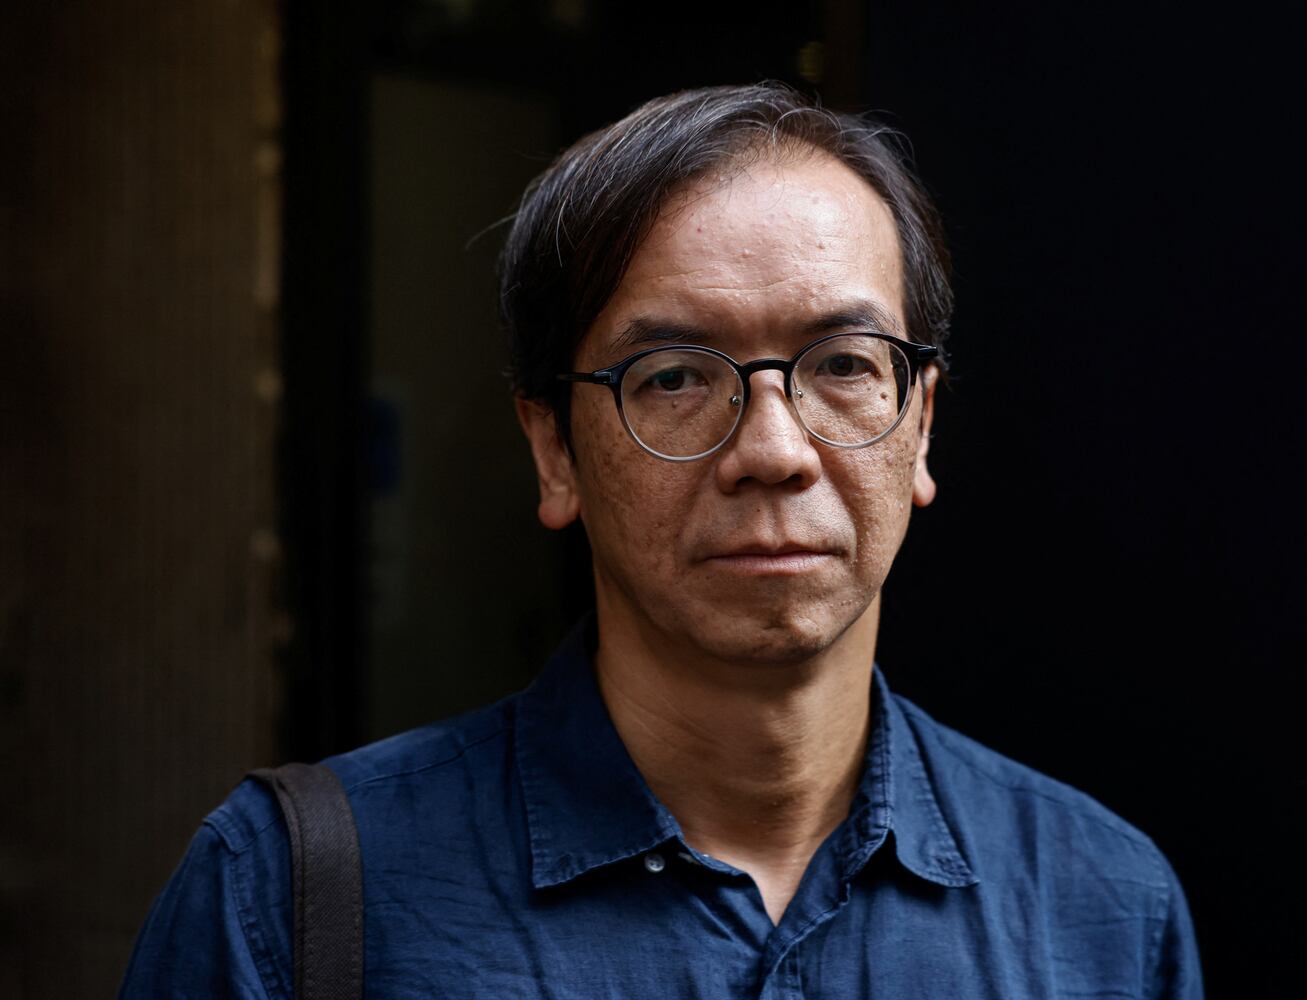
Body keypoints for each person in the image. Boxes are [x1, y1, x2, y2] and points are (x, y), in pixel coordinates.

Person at [122, 82, 1203, 998]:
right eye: (676, 378)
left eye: (842, 365)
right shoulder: (290, 895)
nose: (773, 449)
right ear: (553, 448)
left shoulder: (1101, 907)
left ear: (919, 421)